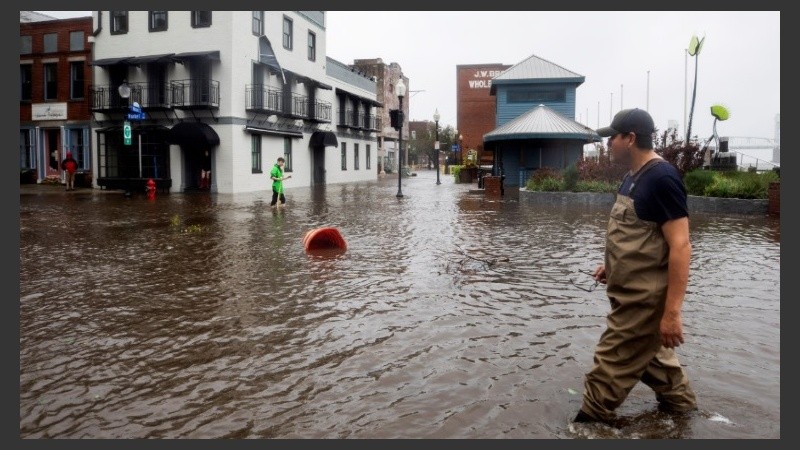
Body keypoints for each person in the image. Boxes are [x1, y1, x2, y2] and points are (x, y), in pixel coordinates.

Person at [574, 108, 697, 425]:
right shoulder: (632, 178)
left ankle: (587, 426)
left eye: (612, 137)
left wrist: (671, 313)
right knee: (657, 365)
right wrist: (610, 266)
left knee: (609, 367)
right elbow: (636, 236)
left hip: (643, 302)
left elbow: (680, 246)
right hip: (627, 295)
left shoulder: (662, 178)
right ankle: (686, 419)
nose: (607, 144)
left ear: (629, 138)